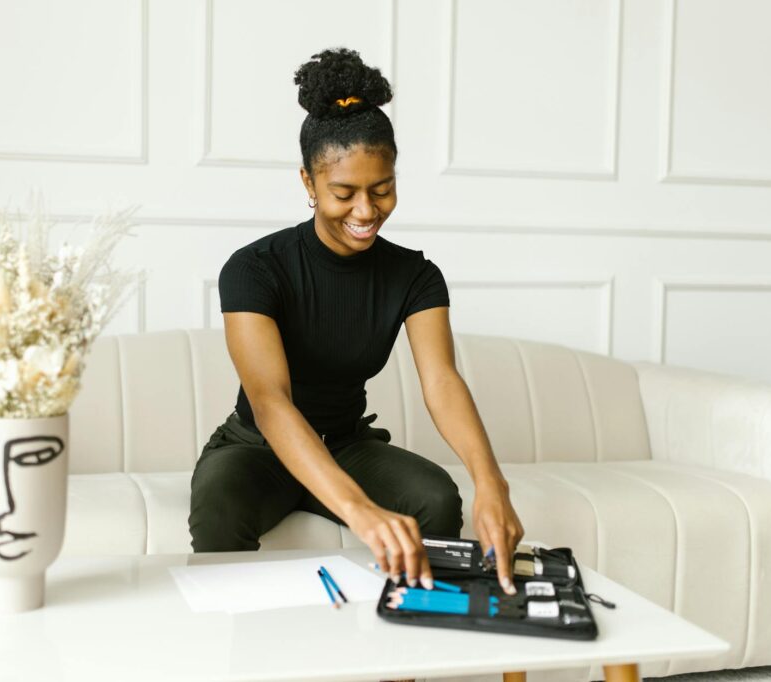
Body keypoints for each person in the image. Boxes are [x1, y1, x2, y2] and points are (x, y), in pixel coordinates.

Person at [188, 47, 524, 597]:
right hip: (256, 449)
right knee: (220, 498)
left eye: (382, 189)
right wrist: (360, 511)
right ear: (309, 182)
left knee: (437, 497)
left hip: (347, 443)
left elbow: (441, 381)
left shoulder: (415, 275)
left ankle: (407, 657)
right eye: (344, 193)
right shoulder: (254, 270)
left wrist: (493, 484)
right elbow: (271, 402)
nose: (366, 211)